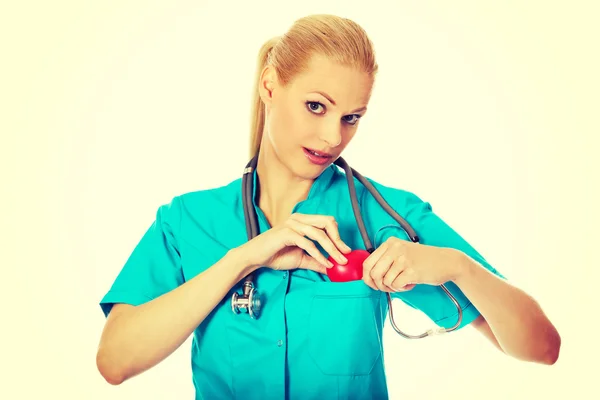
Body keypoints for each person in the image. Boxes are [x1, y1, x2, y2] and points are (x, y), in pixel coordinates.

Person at [96, 14, 561, 400]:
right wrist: (244, 259)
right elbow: (115, 361)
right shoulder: (188, 222)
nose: (332, 137)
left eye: (351, 118)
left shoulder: (383, 217)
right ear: (270, 86)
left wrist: (459, 267)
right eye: (316, 107)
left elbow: (541, 347)